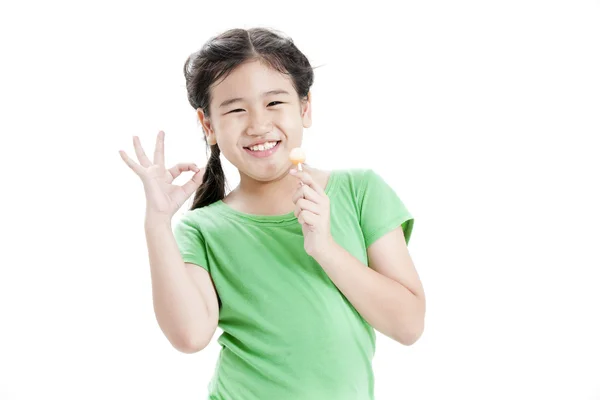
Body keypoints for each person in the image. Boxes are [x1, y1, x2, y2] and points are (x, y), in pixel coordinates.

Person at [119, 27, 425, 400]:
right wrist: (157, 223)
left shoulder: (361, 192)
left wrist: (325, 248)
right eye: (235, 109)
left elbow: (408, 325)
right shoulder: (202, 228)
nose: (258, 125)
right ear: (208, 125)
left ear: (305, 107)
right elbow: (189, 336)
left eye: (274, 103)